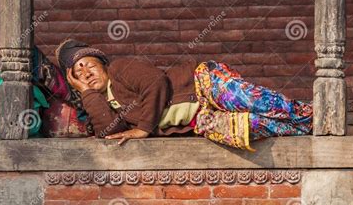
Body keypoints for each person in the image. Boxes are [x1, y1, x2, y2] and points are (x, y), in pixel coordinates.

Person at [55, 39, 313, 149]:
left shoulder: (120, 69)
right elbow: (108, 132)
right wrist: (89, 94)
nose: (86, 72)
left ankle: (313, 113)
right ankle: (309, 126)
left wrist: (143, 128)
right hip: (200, 120)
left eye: (89, 64)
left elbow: (155, 82)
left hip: (202, 84)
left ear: (102, 63)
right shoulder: (101, 102)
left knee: (256, 102)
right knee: (253, 126)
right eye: (79, 73)